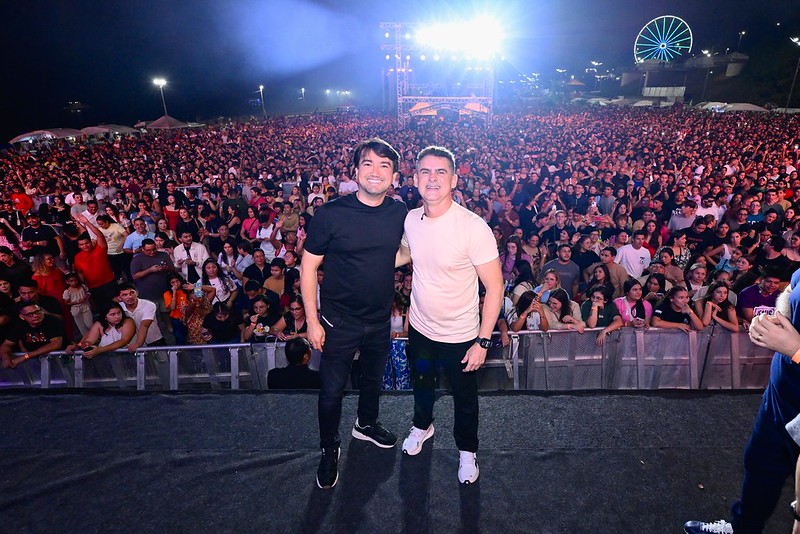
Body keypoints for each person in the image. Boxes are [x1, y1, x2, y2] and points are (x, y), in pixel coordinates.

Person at [300, 138, 407, 489]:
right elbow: (308, 267)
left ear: (394, 175)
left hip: (379, 318)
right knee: (332, 391)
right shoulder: (330, 214)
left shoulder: (399, 212)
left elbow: (401, 253)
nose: (376, 172)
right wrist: (312, 321)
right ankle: (329, 448)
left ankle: (366, 424)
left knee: (373, 380)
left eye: (384, 165)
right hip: (338, 321)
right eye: (368, 164)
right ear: (355, 171)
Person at [397, 145, 503, 485]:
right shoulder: (411, 219)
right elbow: (407, 252)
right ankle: (422, 426)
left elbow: (495, 287)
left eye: (440, 172)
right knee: (421, 383)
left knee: (464, 398)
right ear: (415, 179)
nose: (432, 179)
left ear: (455, 180)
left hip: (460, 336)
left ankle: (467, 450)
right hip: (420, 329)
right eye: (425, 172)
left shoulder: (473, 227)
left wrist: (483, 342)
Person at [684, 270, 800, 533]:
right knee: (760, 468)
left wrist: (796, 349)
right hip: (779, 398)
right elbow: (791, 289)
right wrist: (775, 319)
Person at [0, 302, 64, 369]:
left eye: (38, 311)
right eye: (30, 314)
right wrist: (5, 358)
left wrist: (25, 357)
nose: (36, 315)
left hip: (59, 361)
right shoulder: (20, 325)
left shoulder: (52, 321)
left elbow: (55, 344)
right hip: (35, 363)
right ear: (22, 317)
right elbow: (6, 345)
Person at [65, 302, 136, 359]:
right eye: (113, 314)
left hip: (128, 358)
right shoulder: (99, 324)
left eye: (119, 313)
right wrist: (83, 345)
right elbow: (88, 341)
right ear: (105, 317)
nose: (117, 316)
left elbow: (124, 341)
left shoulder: (128, 322)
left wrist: (100, 350)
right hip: (107, 360)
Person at [117, 283, 166, 351]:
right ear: (119, 298)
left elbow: (144, 325)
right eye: (125, 295)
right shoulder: (118, 308)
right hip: (132, 343)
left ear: (137, 293)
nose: (130, 297)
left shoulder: (149, 305)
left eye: (132, 293)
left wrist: (138, 344)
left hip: (155, 341)